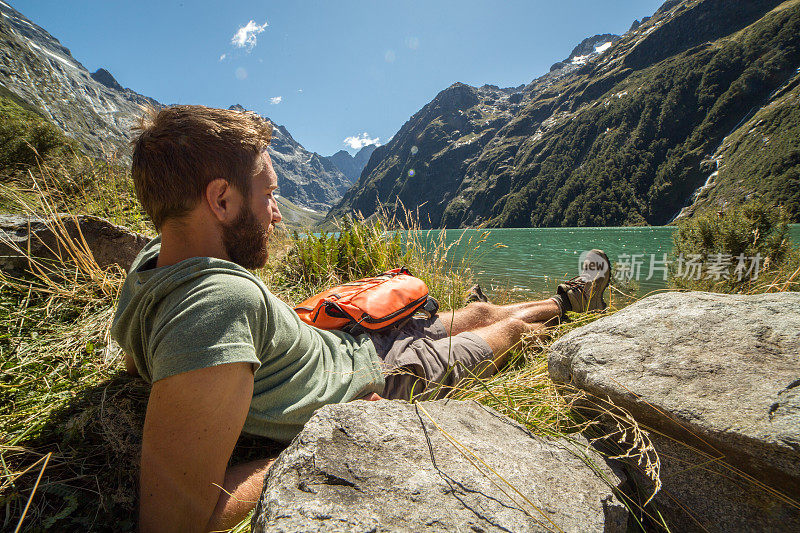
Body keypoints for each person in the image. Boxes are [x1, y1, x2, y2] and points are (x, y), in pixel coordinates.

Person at [111, 105, 611, 532]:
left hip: (349, 341)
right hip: (373, 382)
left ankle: (568, 297)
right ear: (222, 200)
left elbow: (144, 353)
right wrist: (331, 432)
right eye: (268, 195)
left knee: (479, 310)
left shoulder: (151, 263)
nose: (276, 215)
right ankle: (570, 305)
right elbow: (175, 520)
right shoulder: (215, 304)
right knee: (509, 331)